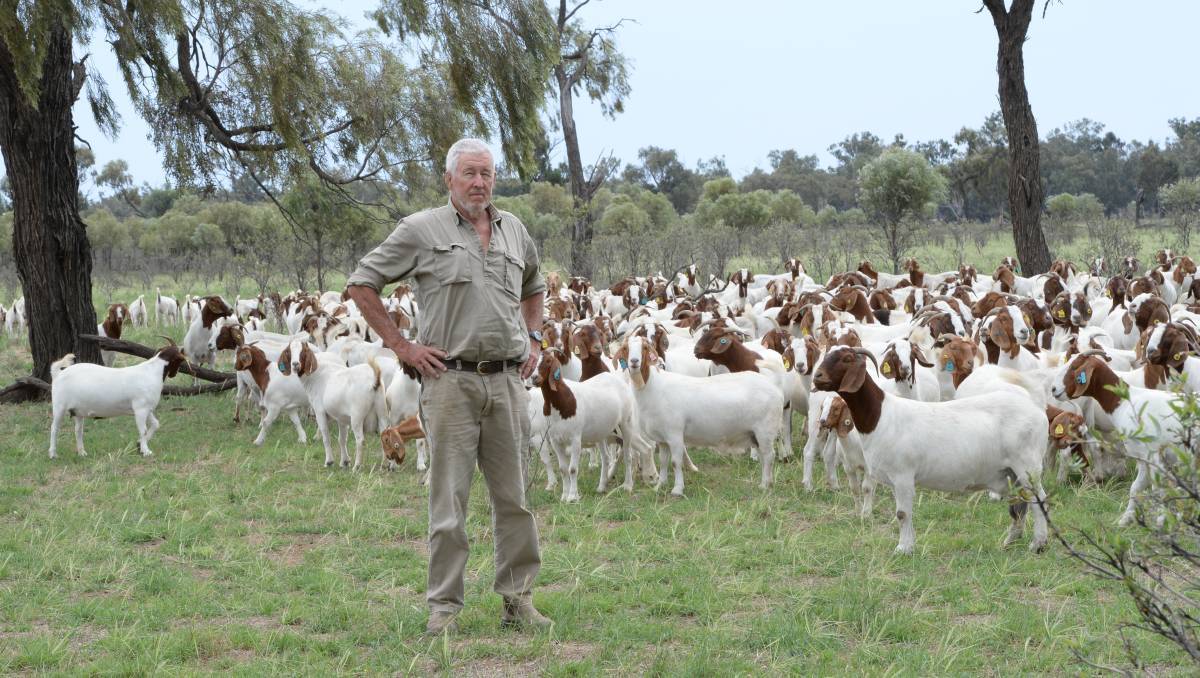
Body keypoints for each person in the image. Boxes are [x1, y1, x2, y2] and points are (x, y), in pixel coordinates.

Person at [345, 138, 550, 636]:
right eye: (469, 174)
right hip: (449, 382)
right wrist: (402, 346)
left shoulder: (514, 230)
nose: (479, 183)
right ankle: (444, 608)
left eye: (487, 174)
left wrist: (536, 338)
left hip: (506, 382)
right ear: (450, 179)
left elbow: (534, 287)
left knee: (515, 500)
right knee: (448, 501)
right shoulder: (421, 229)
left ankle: (517, 600)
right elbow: (361, 283)